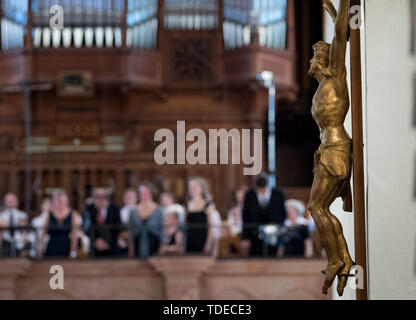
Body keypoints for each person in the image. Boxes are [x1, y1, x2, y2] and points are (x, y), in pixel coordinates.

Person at [307, 0, 355, 295]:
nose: (310, 61)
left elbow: (340, 34)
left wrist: (339, 9)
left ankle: (337, 259)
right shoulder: (321, 87)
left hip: (335, 149)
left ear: (324, 61)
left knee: (316, 206)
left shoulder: (336, 75)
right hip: (329, 149)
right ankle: (343, 258)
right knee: (320, 206)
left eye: (314, 56)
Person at [241, 173, 287, 256]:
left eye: (264, 189)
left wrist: (279, 230)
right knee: (255, 257)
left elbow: (282, 214)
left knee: (272, 255)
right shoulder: (249, 195)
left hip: (274, 232)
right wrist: (245, 237)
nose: (262, 192)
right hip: (254, 233)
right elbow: (245, 216)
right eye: (259, 190)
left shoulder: (278, 194)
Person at [39, 191, 83, 258]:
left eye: (62, 201)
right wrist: (40, 251)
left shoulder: (73, 214)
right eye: (58, 201)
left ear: (66, 202)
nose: (60, 203)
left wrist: (72, 253)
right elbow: (43, 234)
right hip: (51, 247)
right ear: (54, 202)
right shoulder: (49, 215)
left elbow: (74, 236)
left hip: (66, 247)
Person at [129, 183, 164, 259]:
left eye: (146, 193)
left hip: (154, 244)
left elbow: (162, 231)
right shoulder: (133, 211)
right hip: (138, 244)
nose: (144, 195)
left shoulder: (159, 210)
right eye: (142, 193)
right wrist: (131, 249)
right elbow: (131, 231)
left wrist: (161, 248)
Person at [185, 177, 219, 255]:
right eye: (190, 187)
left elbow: (211, 226)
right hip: (190, 239)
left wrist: (208, 243)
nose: (192, 189)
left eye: (195, 187)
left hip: (203, 238)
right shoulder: (187, 205)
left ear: (201, 188)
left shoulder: (207, 204)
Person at [83, 188, 121, 256]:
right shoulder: (89, 209)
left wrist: (107, 242)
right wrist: (96, 241)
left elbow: (118, 228)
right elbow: (85, 227)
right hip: (94, 246)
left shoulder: (115, 208)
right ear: (94, 198)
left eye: (104, 197)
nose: (101, 200)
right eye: (98, 197)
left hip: (111, 246)